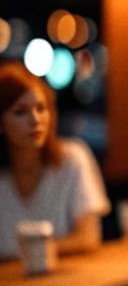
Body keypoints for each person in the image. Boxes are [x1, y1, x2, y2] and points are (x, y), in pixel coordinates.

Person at [0, 61, 109, 259]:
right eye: (20, 112)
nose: (35, 120)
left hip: (68, 282)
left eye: (41, 108)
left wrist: (34, 252)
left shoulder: (73, 158)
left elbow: (88, 238)